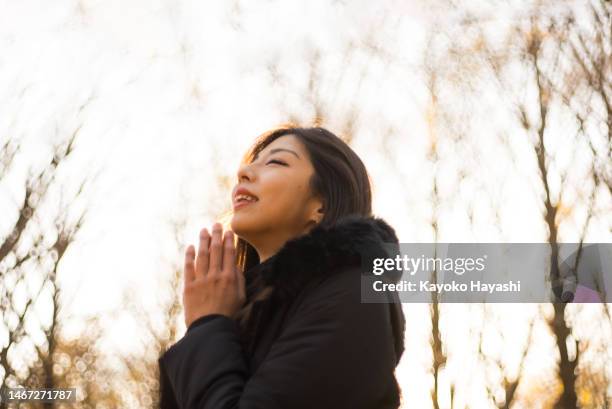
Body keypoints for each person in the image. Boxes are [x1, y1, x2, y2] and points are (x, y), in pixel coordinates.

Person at [157, 126, 406, 409]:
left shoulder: (352, 292)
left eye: (276, 161)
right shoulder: (237, 312)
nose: (244, 172)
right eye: (251, 162)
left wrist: (206, 325)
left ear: (320, 206)